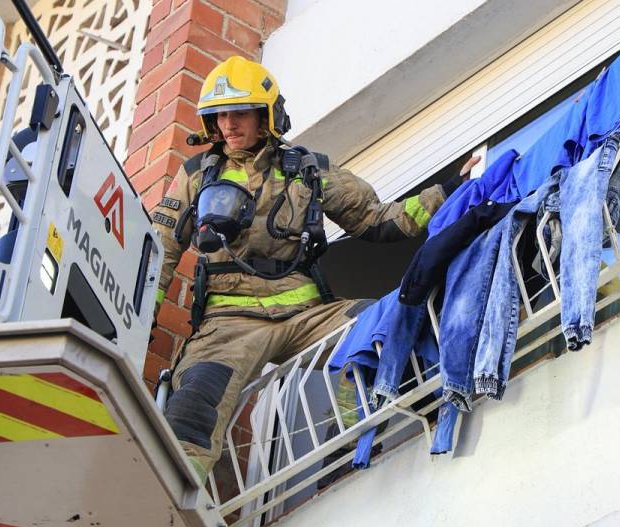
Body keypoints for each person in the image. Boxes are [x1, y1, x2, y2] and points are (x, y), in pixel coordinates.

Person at [149, 56, 476, 480]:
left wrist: (448, 191)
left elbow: (378, 221)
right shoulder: (196, 176)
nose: (229, 125)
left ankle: (372, 431)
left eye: (240, 113)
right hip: (227, 323)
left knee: (381, 325)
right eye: (221, 115)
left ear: (266, 116)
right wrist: (140, 321)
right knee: (195, 404)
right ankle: (173, 494)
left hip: (305, 315)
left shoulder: (307, 170)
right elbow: (160, 250)